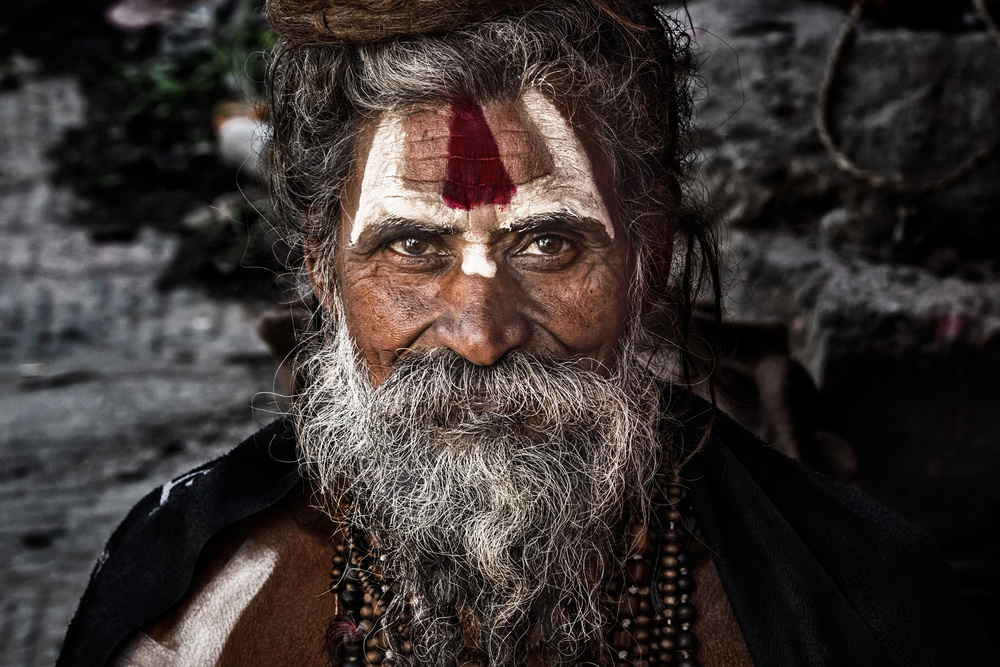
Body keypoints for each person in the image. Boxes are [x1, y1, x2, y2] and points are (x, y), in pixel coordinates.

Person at [59, 1, 996, 665]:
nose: (479, 332)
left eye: (548, 242)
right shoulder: (186, 615)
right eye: (414, 248)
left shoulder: (859, 604)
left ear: (649, 254)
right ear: (322, 271)